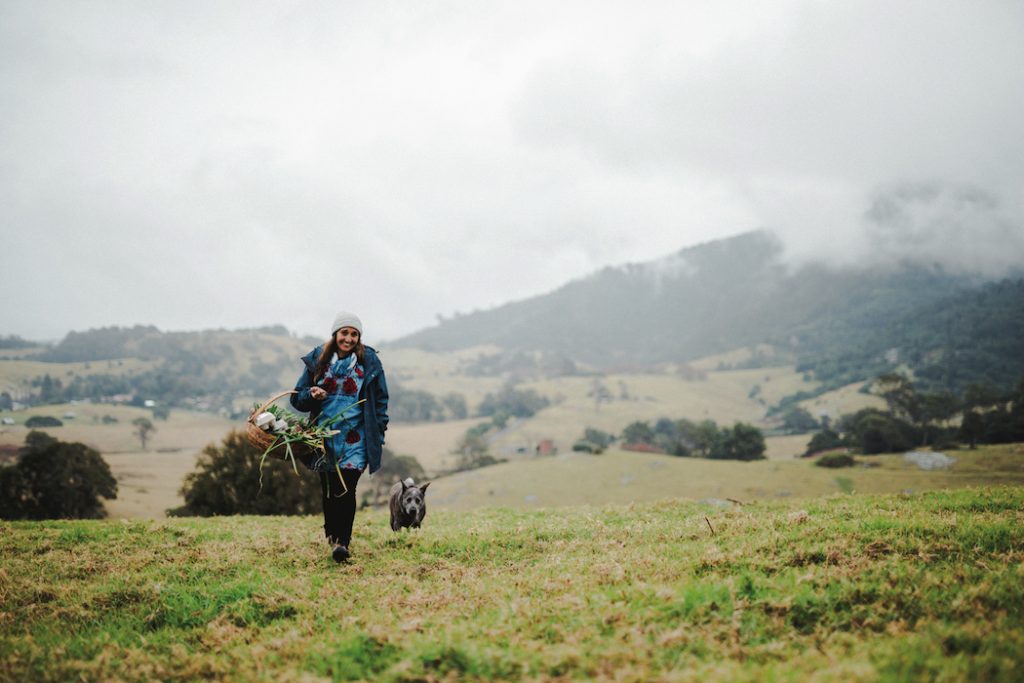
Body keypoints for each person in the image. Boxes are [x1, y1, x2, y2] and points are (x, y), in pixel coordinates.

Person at [291, 312, 389, 562]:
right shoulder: (317, 359)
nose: (348, 338)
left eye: (354, 334)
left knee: (346, 488)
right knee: (330, 489)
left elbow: (380, 400)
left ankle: (342, 543)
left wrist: (380, 428)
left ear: (359, 338)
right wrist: (311, 395)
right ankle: (331, 534)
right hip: (323, 438)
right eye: (344, 332)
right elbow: (297, 398)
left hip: (357, 438)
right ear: (335, 334)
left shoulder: (370, 362)